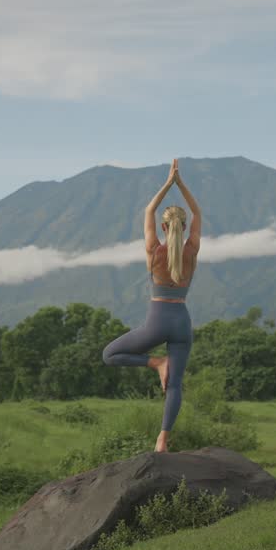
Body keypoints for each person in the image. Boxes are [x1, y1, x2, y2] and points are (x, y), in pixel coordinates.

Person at [102, 158, 202, 453]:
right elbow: (197, 211)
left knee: (110, 354)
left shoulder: (152, 250)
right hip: (182, 322)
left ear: (163, 226)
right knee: (175, 386)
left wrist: (167, 183)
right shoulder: (192, 250)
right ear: (183, 227)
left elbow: (148, 210)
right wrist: (181, 185)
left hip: (157, 322)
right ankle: (162, 440)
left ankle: (157, 363)